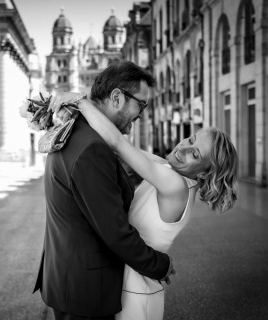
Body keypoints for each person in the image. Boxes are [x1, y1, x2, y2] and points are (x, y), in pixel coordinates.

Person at [49, 89, 239, 320]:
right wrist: (69, 117)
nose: (183, 149)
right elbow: (113, 146)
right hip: (131, 280)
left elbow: (118, 143)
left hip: (137, 290)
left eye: (195, 155)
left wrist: (79, 100)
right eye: (190, 139)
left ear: (205, 174)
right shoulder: (169, 171)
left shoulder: (175, 184)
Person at [33, 61, 175, 320]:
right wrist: (159, 264)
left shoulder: (78, 131)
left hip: (69, 278)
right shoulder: (93, 148)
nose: (141, 114)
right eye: (141, 104)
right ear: (117, 98)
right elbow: (115, 232)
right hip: (84, 290)